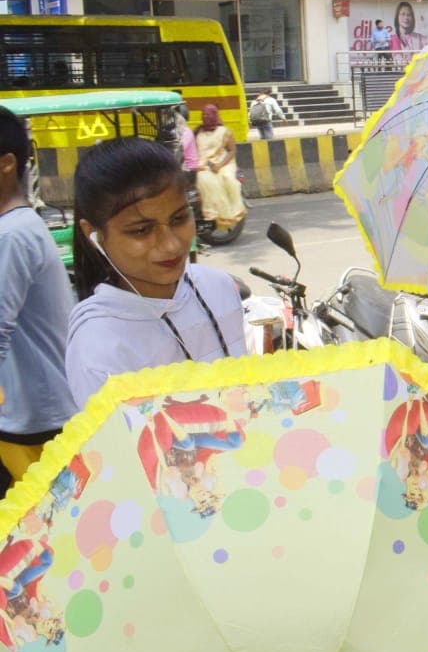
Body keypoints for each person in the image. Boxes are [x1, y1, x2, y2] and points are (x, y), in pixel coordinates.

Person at [65, 138, 247, 408]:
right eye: (141, 230)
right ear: (94, 235)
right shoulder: (100, 345)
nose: (171, 245)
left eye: (179, 219)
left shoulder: (217, 286)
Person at [0, 107, 77, 492]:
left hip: (33, 421)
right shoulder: (22, 225)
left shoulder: (12, 236)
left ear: (6, 165)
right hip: (33, 413)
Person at [193, 104, 246, 231]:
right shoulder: (198, 131)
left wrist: (220, 165)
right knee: (203, 178)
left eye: (208, 115)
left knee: (227, 178)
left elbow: (232, 151)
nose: (205, 117)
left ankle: (228, 214)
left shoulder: (224, 131)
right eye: (203, 115)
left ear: (214, 115)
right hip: (203, 165)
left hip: (223, 163)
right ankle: (211, 212)